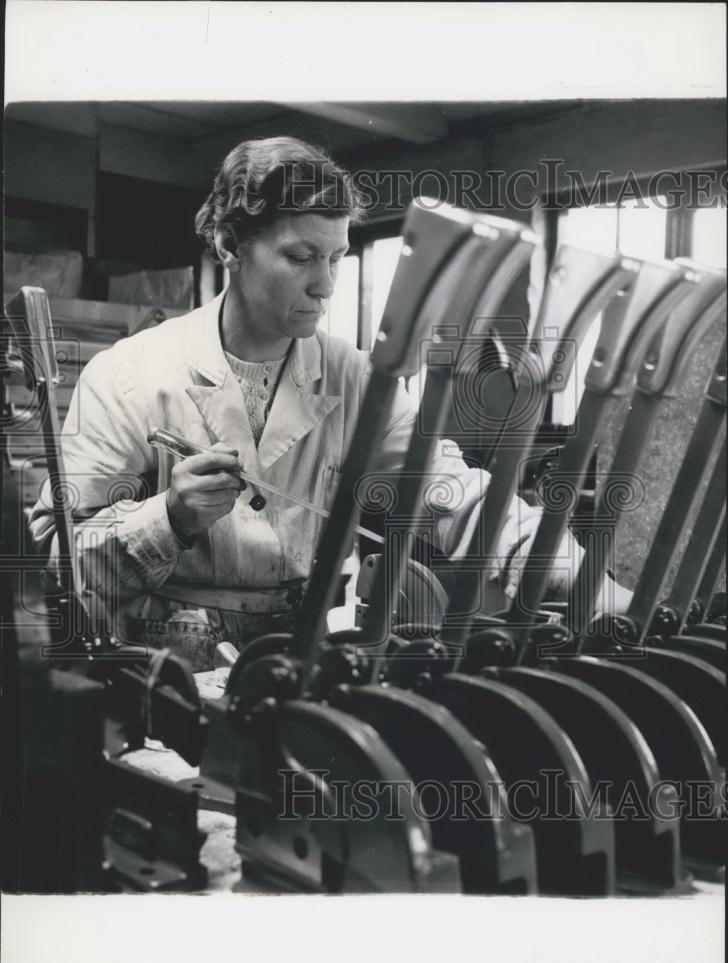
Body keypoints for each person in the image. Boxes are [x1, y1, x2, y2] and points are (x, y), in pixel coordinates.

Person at [29, 136, 630, 670]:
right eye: (300, 257)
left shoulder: (352, 373)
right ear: (229, 243)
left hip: (298, 653)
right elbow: (57, 568)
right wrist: (171, 518)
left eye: (337, 257)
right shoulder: (128, 374)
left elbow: (454, 494)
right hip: (160, 668)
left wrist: (589, 587)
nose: (325, 284)